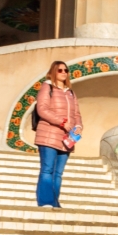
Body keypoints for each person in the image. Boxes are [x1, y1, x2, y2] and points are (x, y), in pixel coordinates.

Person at [33, 61, 82, 208]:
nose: (63, 73)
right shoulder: (47, 87)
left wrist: (78, 126)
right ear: (53, 71)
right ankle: (45, 201)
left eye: (66, 70)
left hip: (67, 138)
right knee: (47, 169)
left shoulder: (71, 92)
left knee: (58, 173)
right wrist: (62, 122)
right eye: (60, 70)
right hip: (49, 134)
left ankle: (54, 202)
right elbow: (42, 109)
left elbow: (76, 113)